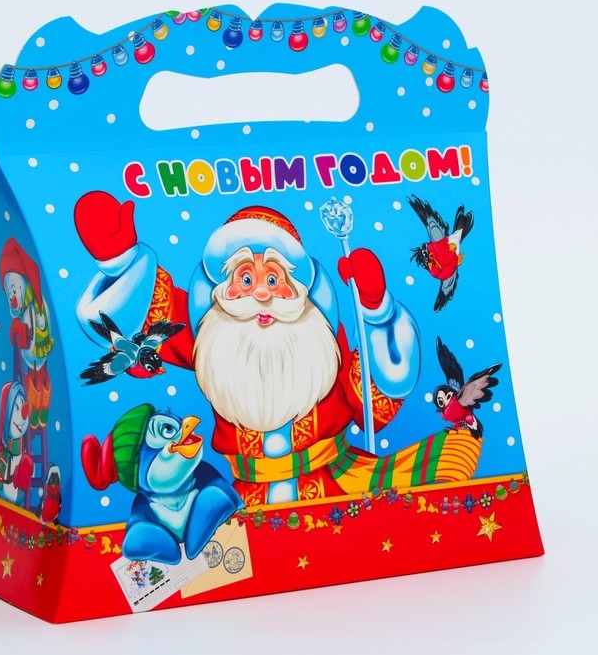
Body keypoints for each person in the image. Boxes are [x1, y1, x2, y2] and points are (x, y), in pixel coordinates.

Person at [75, 192, 481, 507]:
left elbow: (375, 404)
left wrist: (377, 311)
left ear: (300, 290)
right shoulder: (212, 337)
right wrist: (120, 257)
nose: (261, 295)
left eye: (273, 279)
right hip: (247, 496)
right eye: (245, 279)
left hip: (336, 481)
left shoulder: (320, 342)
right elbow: (151, 316)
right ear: (220, 293)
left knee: (439, 471)